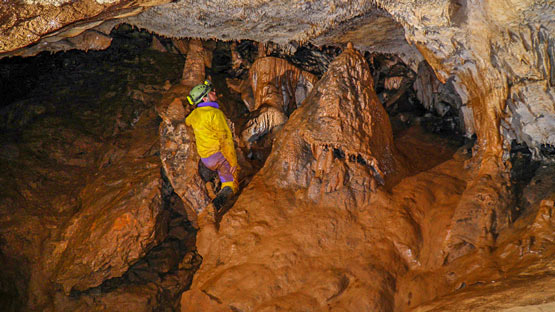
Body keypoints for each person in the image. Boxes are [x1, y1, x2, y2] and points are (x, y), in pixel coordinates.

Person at [186, 81, 238, 211]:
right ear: (205, 98)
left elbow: (186, 122)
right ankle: (217, 206)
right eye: (211, 92)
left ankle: (210, 186)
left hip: (205, 159)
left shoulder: (194, 115)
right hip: (218, 156)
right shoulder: (215, 114)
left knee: (209, 175)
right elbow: (226, 140)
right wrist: (233, 162)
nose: (214, 93)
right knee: (231, 182)